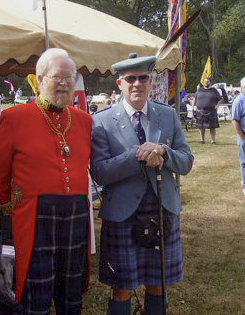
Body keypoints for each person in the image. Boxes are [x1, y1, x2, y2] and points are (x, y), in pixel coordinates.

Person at [0, 48, 92, 313]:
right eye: (58, 77)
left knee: (71, 285)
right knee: (37, 287)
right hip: (36, 215)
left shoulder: (84, 120)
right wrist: (10, 204)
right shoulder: (14, 118)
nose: (64, 83)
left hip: (77, 211)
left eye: (69, 77)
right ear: (40, 78)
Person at [90, 53, 193, 315]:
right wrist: (137, 156)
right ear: (120, 84)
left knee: (158, 284)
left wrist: (163, 152)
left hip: (162, 210)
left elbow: (186, 162)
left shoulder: (167, 115)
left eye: (143, 78)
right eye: (130, 79)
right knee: (122, 287)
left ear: (150, 81)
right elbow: (99, 172)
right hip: (122, 214)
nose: (137, 84)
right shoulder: (101, 121)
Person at [194, 77, 224, 144]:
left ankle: (213, 140)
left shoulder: (214, 90)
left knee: (212, 127)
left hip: (211, 111)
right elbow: (194, 99)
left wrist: (217, 105)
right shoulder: (199, 90)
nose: (206, 83)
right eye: (205, 81)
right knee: (201, 127)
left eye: (207, 81)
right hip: (200, 111)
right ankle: (202, 140)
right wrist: (193, 107)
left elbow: (221, 99)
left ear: (210, 82)